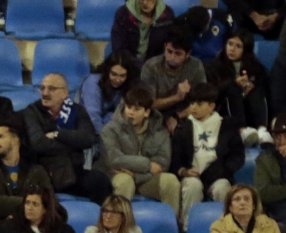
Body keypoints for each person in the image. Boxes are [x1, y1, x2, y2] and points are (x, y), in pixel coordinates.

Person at [23, 73, 112, 204]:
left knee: (101, 181)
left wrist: (58, 135)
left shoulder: (76, 110)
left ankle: (99, 220)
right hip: (46, 173)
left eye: (51, 88)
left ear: (64, 92)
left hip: (73, 171)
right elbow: (39, 143)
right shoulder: (32, 112)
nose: (45, 93)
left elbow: (89, 139)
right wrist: (73, 143)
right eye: (42, 88)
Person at [101, 86, 182, 224]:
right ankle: (118, 228)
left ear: (146, 112)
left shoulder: (159, 131)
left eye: (136, 109)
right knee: (124, 180)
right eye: (129, 107)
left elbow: (162, 163)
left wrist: (136, 175)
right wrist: (147, 164)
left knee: (170, 181)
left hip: (146, 179)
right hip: (117, 176)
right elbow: (114, 159)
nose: (131, 113)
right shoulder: (110, 129)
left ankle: (170, 227)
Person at [173, 83, 245, 218]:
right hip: (192, 176)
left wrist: (223, 170)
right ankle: (186, 228)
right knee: (192, 186)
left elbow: (237, 156)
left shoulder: (227, 126)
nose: (193, 107)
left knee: (223, 186)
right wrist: (183, 171)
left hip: (219, 176)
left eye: (199, 104)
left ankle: (229, 226)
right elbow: (175, 158)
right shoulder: (183, 128)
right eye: (192, 103)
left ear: (211, 106)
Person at [0, 120, 52, 230]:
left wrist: (19, 213)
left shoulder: (37, 172)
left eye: (0, 136)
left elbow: (49, 200)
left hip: (33, 226)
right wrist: (31, 203)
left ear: (15, 140)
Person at [206, 28, 271, 139]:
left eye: (238, 46)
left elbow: (267, 88)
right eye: (230, 44)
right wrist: (232, 83)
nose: (232, 49)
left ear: (246, 49)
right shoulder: (213, 66)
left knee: (256, 91)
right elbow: (210, 93)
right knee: (233, 89)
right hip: (224, 110)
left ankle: (262, 131)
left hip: (248, 110)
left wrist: (251, 85)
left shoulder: (255, 66)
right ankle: (241, 131)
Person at [142, 26, 209, 129]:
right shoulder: (151, 66)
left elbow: (203, 100)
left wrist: (177, 117)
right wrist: (177, 97)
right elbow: (148, 104)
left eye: (178, 54)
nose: (172, 57)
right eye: (169, 51)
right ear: (164, 47)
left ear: (188, 54)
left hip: (185, 114)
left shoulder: (196, 66)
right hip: (154, 115)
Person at [79, 50, 141, 131]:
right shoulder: (93, 83)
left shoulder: (128, 84)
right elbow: (93, 117)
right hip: (89, 126)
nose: (118, 80)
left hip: (108, 123)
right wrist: (107, 139)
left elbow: (121, 113)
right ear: (107, 71)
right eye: (114, 74)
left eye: (122, 76)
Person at [111, 0, 175, 63]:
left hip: (154, 65)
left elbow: (165, 49)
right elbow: (119, 47)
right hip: (129, 63)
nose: (145, 2)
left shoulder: (167, 15)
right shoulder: (123, 13)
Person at [255, 114, 286, 230]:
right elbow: (264, 193)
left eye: (285, 136)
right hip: (277, 214)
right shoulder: (264, 159)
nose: (281, 141)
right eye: (277, 137)